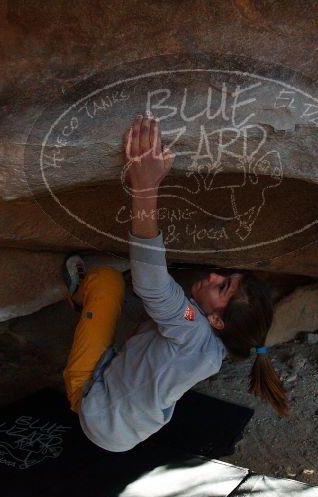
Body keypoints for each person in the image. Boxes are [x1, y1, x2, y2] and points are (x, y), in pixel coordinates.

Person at [62, 111, 288, 452]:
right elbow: (180, 314)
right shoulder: (213, 350)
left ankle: (77, 294)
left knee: (108, 282)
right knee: (149, 316)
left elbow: (152, 284)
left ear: (216, 319)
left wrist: (145, 184)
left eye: (221, 287)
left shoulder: (190, 325)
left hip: (93, 403)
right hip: (128, 435)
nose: (214, 275)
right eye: (226, 277)